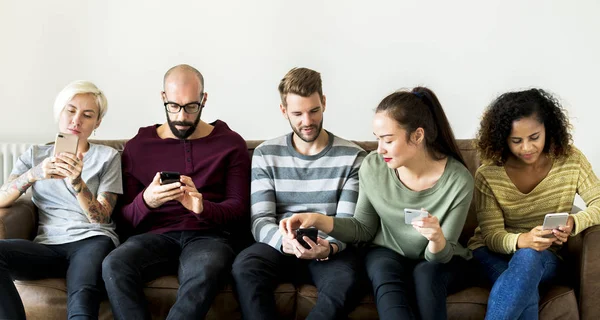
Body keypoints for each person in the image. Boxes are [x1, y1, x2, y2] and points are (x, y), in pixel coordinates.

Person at [281, 87, 474, 320]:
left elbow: (441, 256)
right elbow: (363, 228)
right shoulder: (373, 167)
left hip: (441, 259)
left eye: (388, 140)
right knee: (383, 271)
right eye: (377, 139)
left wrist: (436, 238)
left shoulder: (458, 180)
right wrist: (318, 220)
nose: (380, 149)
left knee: (426, 273)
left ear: (418, 135)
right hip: (387, 251)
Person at [101, 64, 250, 320]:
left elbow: (238, 211)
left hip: (208, 237)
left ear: (204, 100)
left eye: (191, 106)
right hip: (155, 236)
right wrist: (146, 201)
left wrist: (202, 207)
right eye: (174, 106)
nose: (182, 116)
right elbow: (123, 221)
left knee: (206, 269)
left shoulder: (230, 143)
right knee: (114, 264)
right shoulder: (139, 146)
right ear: (163, 98)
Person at [231, 67, 367, 320]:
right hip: (279, 244)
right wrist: (284, 242)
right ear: (284, 111)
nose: (307, 121)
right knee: (245, 267)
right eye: (297, 113)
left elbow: (348, 224)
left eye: (314, 110)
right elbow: (260, 219)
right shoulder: (265, 154)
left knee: (347, 280)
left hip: (327, 246)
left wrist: (328, 248)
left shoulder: (354, 157)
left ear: (324, 103)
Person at [467, 88, 600, 319]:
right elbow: (491, 236)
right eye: (516, 141)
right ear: (503, 139)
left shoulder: (571, 160)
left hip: (543, 256)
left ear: (548, 128)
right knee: (524, 286)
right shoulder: (489, 174)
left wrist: (574, 221)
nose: (527, 148)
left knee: (528, 259)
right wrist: (522, 239)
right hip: (490, 253)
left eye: (534, 137)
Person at [0, 80, 122, 320]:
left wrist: (78, 183)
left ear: (97, 123)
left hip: (91, 240)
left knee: (82, 297)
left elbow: (101, 217)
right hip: (47, 245)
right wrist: (35, 173)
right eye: (71, 110)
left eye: (88, 115)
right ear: (60, 112)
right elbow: (2, 198)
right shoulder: (35, 155)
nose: (77, 120)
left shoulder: (108, 157)